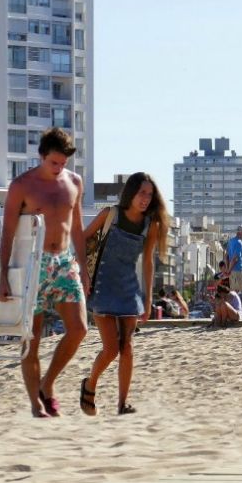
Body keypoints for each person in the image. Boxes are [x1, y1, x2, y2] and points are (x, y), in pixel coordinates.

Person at [0, 127, 90, 418]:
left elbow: (76, 228)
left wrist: (85, 268)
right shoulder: (22, 185)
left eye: (63, 163)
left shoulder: (74, 182)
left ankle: (47, 384)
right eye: (54, 162)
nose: (59, 168)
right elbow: (8, 232)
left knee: (79, 329)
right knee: (32, 337)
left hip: (63, 262)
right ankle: (36, 406)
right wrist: (3, 275)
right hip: (31, 265)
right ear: (41, 156)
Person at [81, 172, 169, 416]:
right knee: (110, 349)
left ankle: (122, 404)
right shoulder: (110, 214)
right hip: (102, 287)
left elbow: (148, 264)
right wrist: (84, 274)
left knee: (127, 347)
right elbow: (81, 238)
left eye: (150, 195)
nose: (145, 199)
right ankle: (90, 384)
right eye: (142, 193)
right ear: (131, 192)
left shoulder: (150, 226)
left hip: (129, 290)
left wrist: (148, 299)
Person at [226, 225, 242, 293]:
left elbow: (227, 256)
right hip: (238, 270)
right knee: (236, 292)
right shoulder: (239, 243)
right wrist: (229, 270)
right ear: (241, 232)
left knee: (232, 291)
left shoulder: (231, 241)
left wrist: (228, 269)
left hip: (231, 270)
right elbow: (235, 258)